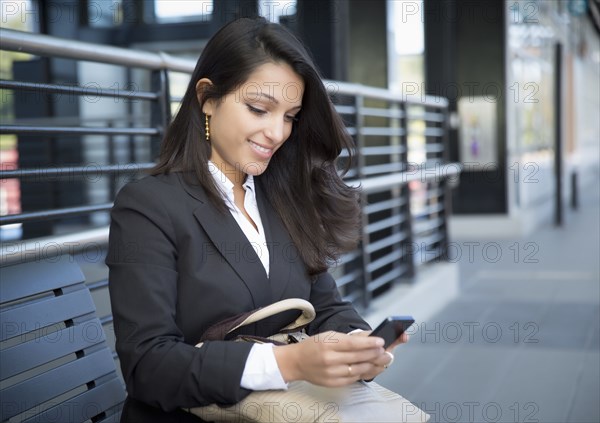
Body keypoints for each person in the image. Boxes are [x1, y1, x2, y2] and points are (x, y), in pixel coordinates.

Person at [106, 16, 408, 422]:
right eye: (259, 109)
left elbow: (326, 305)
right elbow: (148, 367)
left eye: (290, 116)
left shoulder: (280, 198)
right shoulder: (148, 207)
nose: (277, 132)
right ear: (207, 98)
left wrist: (358, 345)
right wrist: (290, 364)